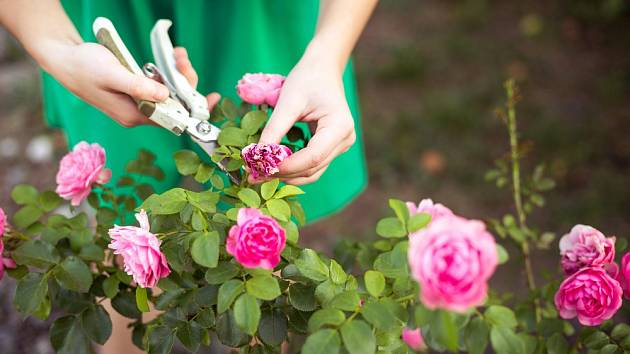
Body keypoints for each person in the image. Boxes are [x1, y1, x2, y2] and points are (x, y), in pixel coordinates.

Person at [0, 0, 377, 352]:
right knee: (129, 249)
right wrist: (59, 49)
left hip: (254, 16)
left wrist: (327, 54)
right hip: (120, 9)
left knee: (274, 219)